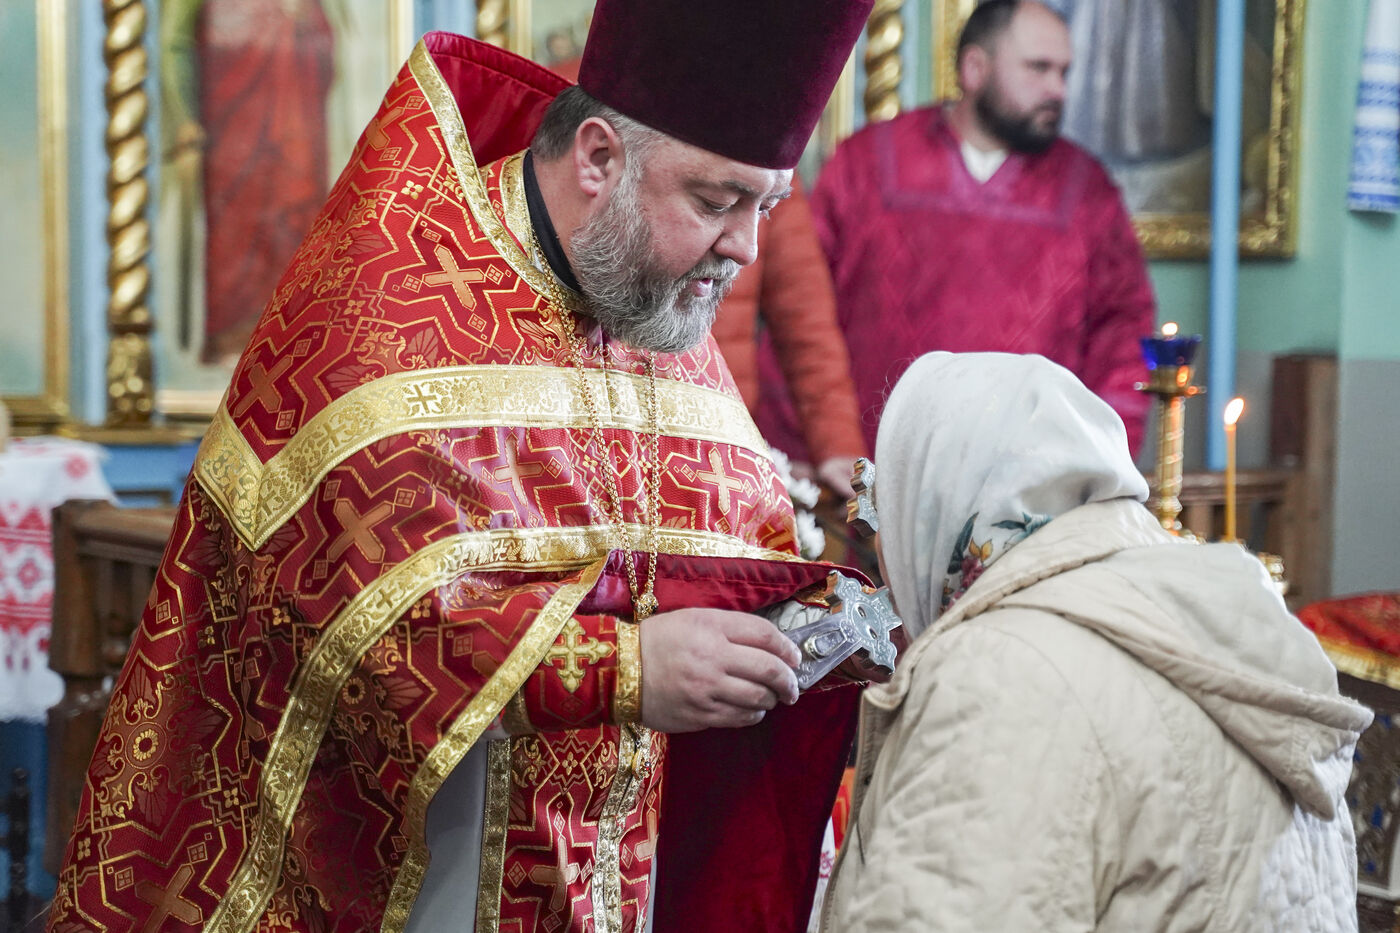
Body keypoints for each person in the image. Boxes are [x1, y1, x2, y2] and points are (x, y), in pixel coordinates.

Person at [46, 3, 876, 932]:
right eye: (718, 202)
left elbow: (734, 539)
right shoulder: (386, 305)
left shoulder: (651, 302)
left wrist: (805, 626)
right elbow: (334, 619)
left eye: (767, 206)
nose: (746, 247)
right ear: (598, 158)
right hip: (399, 879)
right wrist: (622, 669)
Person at [821, 351, 1373, 932]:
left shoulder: (1000, 671)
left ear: (934, 509)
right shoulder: (1227, 613)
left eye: (885, 511)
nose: (881, 549)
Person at [803, 0, 1155, 456]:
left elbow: (1124, 330)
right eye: (1039, 68)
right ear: (974, 69)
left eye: (1064, 72)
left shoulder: (1086, 190)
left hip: (1028, 475)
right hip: (869, 469)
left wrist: (1096, 460)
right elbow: (803, 311)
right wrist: (822, 451)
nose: (1058, 89)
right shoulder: (868, 162)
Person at [711, 180, 866, 499]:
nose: (745, 249)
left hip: (722, 428)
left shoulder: (775, 166)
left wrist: (837, 443)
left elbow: (806, 321)